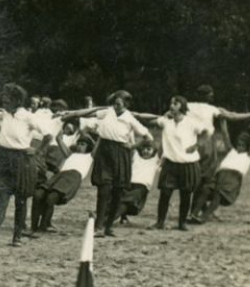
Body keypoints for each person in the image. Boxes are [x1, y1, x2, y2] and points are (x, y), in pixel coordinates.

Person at [0, 83, 47, 247]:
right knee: (1, 199)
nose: (4, 103)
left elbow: (48, 134)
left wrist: (37, 151)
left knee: (20, 201)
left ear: (16, 100)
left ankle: (17, 237)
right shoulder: (4, 114)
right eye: (3, 100)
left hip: (22, 160)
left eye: (7, 100)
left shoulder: (28, 116)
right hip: (4, 159)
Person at [79, 90, 152, 238]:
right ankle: (98, 226)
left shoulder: (130, 118)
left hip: (120, 154)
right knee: (104, 189)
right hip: (104, 153)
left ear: (126, 104)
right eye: (114, 103)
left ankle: (109, 226)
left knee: (118, 191)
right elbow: (91, 114)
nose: (115, 106)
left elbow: (147, 136)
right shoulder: (107, 112)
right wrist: (72, 114)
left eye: (118, 104)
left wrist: (132, 146)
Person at [136, 96, 208, 231]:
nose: (172, 105)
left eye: (175, 103)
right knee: (165, 193)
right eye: (171, 103)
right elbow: (148, 119)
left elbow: (206, 132)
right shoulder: (165, 121)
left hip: (188, 164)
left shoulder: (191, 122)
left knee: (186, 194)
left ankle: (182, 223)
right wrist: (136, 115)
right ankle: (160, 222)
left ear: (182, 106)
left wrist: (196, 145)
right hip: (170, 163)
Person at [31, 136, 95, 233]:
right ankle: (33, 227)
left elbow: (99, 143)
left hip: (72, 177)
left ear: (89, 147)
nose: (79, 146)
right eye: (78, 144)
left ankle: (43, 227)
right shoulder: (70, 154)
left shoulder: (90, 156)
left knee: (51, 198)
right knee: (38, 195)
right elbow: (58, 139)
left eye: (83, 145)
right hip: (59, 176)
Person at [191, 131, 250, 224]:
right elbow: (226, 136)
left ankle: (204, 217)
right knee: (205, 189)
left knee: (218, 194)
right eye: (239, 144)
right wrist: (223, 122)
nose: (240, 147)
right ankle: (193, 214)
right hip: (219, 176)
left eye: (243, 145)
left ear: (247, 147)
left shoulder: (248, 156)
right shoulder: (232, 151)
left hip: (232, 179)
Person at [117, 144, 160, 225]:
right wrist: (143, 141)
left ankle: (108, 218)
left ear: (154, 150)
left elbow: (162, 148)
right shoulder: (136, 155)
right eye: (144, 148)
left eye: (148, 149)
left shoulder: (155, 160)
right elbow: (131, 146)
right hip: (129, 183)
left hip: (142, 186)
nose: (146, 151)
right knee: (125, 201)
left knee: (130, 203)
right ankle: (110, 218)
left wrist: (151, 143)